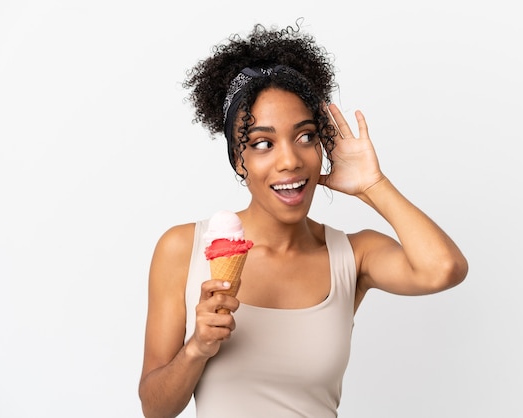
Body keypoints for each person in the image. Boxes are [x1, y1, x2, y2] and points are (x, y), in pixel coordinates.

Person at [138, 21, 468, 418]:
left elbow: (444, 269)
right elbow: (155, 408)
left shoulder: (353, 255)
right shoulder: (183, 248)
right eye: (263, 143)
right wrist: (197, 349)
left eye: (306, 136)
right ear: (237, 161)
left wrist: (372, 184)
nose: (291, 160)